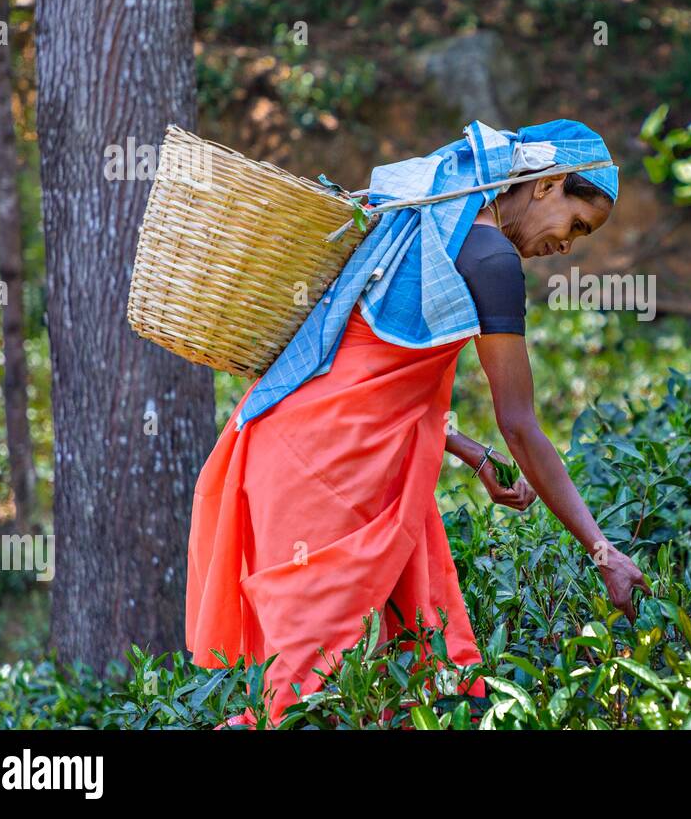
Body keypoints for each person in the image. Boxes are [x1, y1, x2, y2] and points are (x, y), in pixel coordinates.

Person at [186, 119, 649, 725]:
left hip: (301, 450)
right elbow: (521, 423)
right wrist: (601, 549)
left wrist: (467, 451)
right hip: (328, 479)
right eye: (576, 224)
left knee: (400, 676)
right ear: (549, 184)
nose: (567, 244)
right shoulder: (492, 259)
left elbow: (374, 369)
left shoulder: (432, 220)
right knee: (313, 695)